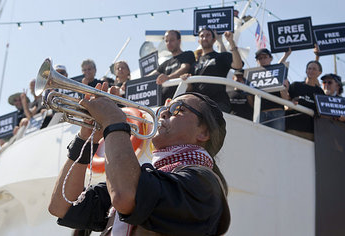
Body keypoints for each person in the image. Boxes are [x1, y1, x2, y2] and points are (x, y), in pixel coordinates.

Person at [48, 84, 230, 235]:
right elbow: (62, 206)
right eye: (164, 109)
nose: (163, 114)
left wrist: (113, 120)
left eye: (177, 109)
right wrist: (86, 137)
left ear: (204, 132)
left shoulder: (204, 183)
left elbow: (125, 196)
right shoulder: (147, 177)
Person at [182, 27, 243, 113]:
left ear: (214, 40)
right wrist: (186, 79)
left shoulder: (222, 56)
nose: (204, 38)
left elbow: (238, 65)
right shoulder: (194, 64)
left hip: (217, 103)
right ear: (199, 41)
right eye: (202, 36)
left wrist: (231, 42)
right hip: (197, 105)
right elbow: (191, 87)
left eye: (208, 35)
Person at [148, 30, 195, 105]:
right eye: (166, 41)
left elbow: (184, 68)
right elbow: (150, 76)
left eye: (172, 40)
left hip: (181, 102)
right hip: (163, 104)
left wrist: (168, 77)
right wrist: (128, 84)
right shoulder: (165, 63)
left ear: (179, 41)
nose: (168, 43)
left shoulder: (188, 54)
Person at [285, 61, 325, 140]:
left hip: (310, 132)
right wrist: (289, 103)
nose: (311, 71)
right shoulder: (295, 85)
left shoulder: (320, 93)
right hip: (292, 128)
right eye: (309, 68)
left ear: (319, 73)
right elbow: (286, 100)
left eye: (314, 69)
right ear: (306, 71)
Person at [254, 48, 291, 131]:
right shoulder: (253, 76)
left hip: (277, 113)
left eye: (265, 57)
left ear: (271, 58)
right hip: (260, 114)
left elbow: (278, 68)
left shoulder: (280, 75)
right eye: (260, 58)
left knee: (277, 141)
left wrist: (286, 55)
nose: (263, 60)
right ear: (257, 61)